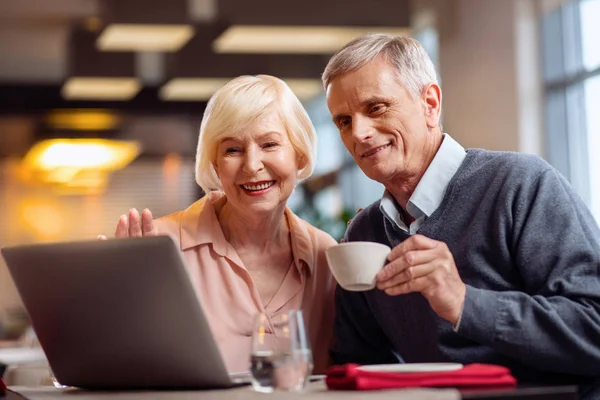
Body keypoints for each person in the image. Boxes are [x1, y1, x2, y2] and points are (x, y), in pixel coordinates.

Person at [322, 33, 600, 398]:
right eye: (343, 121)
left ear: (430, 104)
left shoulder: (521, 184)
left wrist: (465, 302)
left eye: (375, 108)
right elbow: (358, 364)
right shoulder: (364, 232)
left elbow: (593, 330)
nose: (358, 133)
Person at [99, 75, 336, 374]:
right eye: (232, 150)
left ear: (299, 154)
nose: (252, 165)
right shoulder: (157, 247)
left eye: (270, 144)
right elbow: (113, 367)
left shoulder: (326, 255)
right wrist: (113, 303)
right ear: (215, 164)